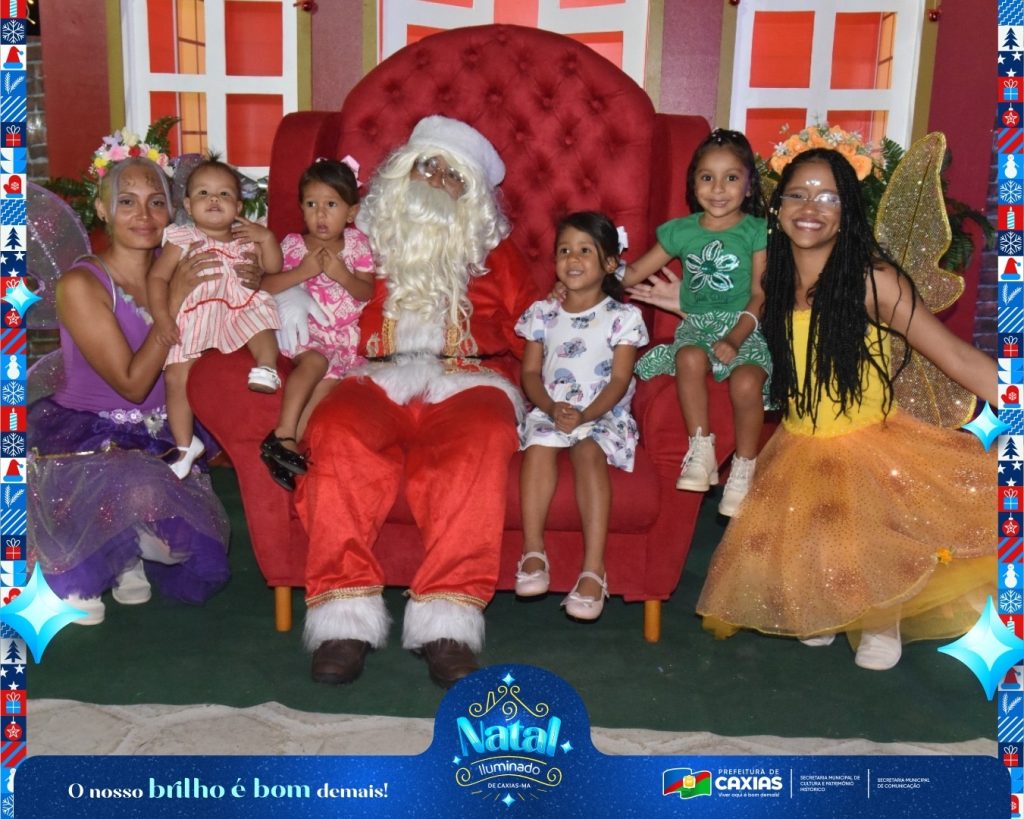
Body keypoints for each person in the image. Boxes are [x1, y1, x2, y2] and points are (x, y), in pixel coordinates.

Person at [690, 148, 996, 670]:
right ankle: (829, 604)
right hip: (800, 439)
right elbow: (723, 317)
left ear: (847, 210)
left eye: (828, 197)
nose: (811, 207)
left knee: (869, 519)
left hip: (867, 438)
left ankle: (882, 614)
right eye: (798, 194)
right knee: (816, 524)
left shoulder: (874, 281)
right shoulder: (773, 280)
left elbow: (955, 355)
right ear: (777, 207)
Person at [277, 116, 540, 688]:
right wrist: (289, 298)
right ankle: (343, 620)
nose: (435, 180)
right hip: (377, 374)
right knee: (337, 433)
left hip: (469, 379)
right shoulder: (365, 241)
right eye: (427, 166)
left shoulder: (497, 254)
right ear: (403, 173)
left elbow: (535, 327)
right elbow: (295, 270)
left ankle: (447, 625)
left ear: (472, 195)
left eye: (452, 175)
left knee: (482, 440)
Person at [27, 156, 234, 625]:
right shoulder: (82, 284)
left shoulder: (173, 268)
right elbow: (134, 385)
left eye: (156, 202)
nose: (144, 215)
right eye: (127, 202)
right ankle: (101, 548)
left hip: (160, 435)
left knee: (183, 551)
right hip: (88, 441)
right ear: (102, 209)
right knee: (135, 496)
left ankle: (129, 548)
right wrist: (173, 305)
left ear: (172, 211)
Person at [623, 129, 769, 517]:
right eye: (707, 177)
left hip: (744, 327)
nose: (718, 189)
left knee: (747, 381)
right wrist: (585, 277)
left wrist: (735, 338)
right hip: (697, 327)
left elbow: (759, 294)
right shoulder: (681, 231)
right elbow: (633, 272)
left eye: (731, 178)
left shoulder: (756, 231)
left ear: (748, 185)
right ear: (693, 184)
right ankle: (700, 449)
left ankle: (744, 468)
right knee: (687, 356)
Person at [513, 212, 648, 620]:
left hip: (602, 410)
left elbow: (620, 379)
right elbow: (530, 373)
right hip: (553, 405)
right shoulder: (542, 313)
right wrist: (551, 408)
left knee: (588, 452)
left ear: (609, 263)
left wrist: (587, 414)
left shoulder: (623, 317)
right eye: (564, 250)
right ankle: (533, 552)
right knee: (539, 447)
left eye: (585, 250)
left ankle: (593, 570)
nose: (572, 258)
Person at [147, 159, 283, 479]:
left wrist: (266, 239)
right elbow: (157, 278)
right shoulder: (182, 238)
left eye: (224, 194)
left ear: (238, 206)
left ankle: (266, 367)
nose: (213, 200)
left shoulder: (246, 237)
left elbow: (274, 267)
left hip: (238, 309)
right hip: (196, 315)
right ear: (188, 205)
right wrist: (163, 317)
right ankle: (185, 445)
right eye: (203, 193)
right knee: (175, 376)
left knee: (260, 321)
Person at [260, 158, 374, 490]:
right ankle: (283, 432)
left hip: (342, 339)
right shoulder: (294, 246)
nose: (321, 214)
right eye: (312, 205)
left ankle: (287, 449)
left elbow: (366, 291)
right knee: (315, 363)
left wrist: (342, 274)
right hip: (305, 331)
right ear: (301, 208)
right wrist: (303, 273)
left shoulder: (357, 245)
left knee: (326, 387)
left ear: (351, 213)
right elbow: (266, 285)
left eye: (331, 205)